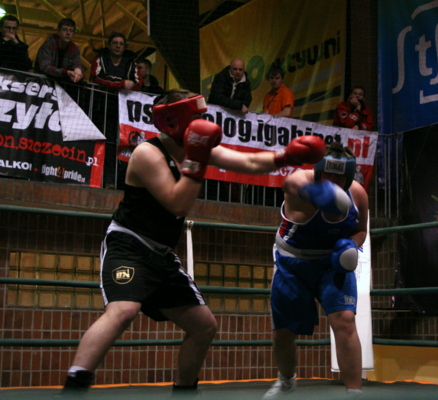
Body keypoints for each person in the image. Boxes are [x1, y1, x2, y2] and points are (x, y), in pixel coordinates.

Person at [61, 89, 326, 396]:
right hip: (129, 245)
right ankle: (75, 385)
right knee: (124, 310)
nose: (203, 121)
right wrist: (197, 160)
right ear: (175, 120)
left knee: (203, 326)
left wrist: (288, 156)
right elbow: (178, 203)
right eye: (197, 116)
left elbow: (251, 162)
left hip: (161, 255)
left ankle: (184, 392)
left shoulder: (195, 148)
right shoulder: (147, 154)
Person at [263, 142, 368, 399]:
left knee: (345, 321)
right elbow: (291, 183)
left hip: (332, 264)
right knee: (284, 331)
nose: (332, 181)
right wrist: (317, 193)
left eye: (339, 177)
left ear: (349, 177)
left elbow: (360, 230)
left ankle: (354, 393)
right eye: (327, 174)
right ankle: (286, 381)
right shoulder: (300, 182)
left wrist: (351, 246)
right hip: (293, 262)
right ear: (318, 171)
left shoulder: (358, 194)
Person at [90, 32, 142, 189]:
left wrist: (114, 82)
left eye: (121, 43)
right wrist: (120, 84)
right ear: (109, 45)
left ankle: (112, 181)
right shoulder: (100, 59)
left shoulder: (131, 63)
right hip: (101, 108)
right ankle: (95, 179)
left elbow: (137, 85)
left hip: (122, 113)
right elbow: (96, 78)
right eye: (115, 43)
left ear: (124, 47)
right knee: (99, 142)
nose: (118, 46)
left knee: (117, 145)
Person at [34, 18, 83, 84]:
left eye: (71, 30)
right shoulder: (48, 45)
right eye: (64, 29)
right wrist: (66, 72)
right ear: (58, 32)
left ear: (73, 34)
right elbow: (45, 67)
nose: (68, 33)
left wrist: (77, 70)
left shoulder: (75, 49)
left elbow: (76, 64)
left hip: (61, 85)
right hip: (42, 83)